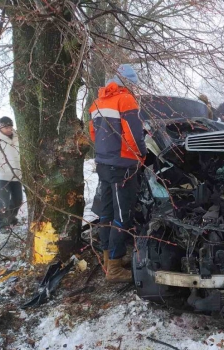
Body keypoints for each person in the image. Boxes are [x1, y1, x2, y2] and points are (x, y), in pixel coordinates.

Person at [88, 64, 147, 282]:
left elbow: (93, 133)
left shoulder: (97, 102)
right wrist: (142, 155)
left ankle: (108, 258)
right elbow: (133, 134)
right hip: (121, 165)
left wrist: (106, 152)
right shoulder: (126, 100)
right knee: (123, 216)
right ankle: (114, 268)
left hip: (104, 164)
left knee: (107, 213)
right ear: (128, 83)